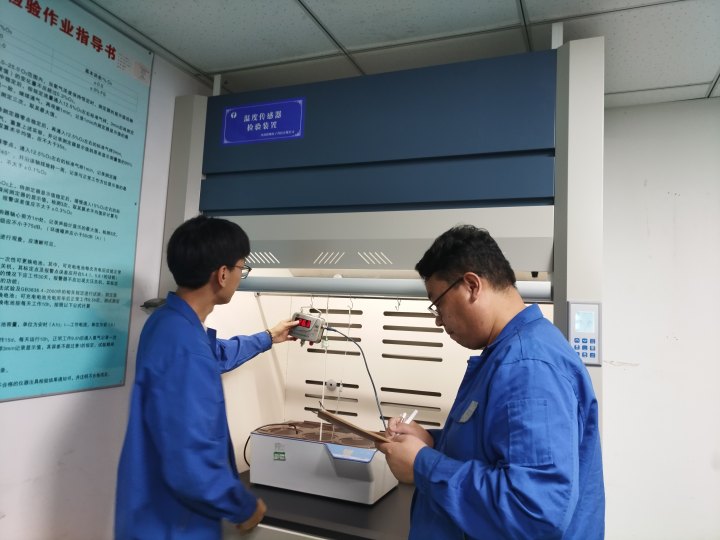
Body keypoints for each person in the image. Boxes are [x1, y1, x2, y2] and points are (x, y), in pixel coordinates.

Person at [376, 225, 604, 539]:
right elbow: (494, 449)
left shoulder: (528, 365)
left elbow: (532, 510)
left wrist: (423, 464)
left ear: (472, 285)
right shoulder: (509, 353)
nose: (438, 320)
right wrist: (432, 443)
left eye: (438, 303)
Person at [115, 215, 298, 539]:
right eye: (242, 267)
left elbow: (215, 355)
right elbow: (191, 465)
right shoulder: (186, 348)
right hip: (174, 524)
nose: (241, 276)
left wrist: (269, 336)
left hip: (151, 511)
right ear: (223, 274)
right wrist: (244, 507)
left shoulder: (167, 323)